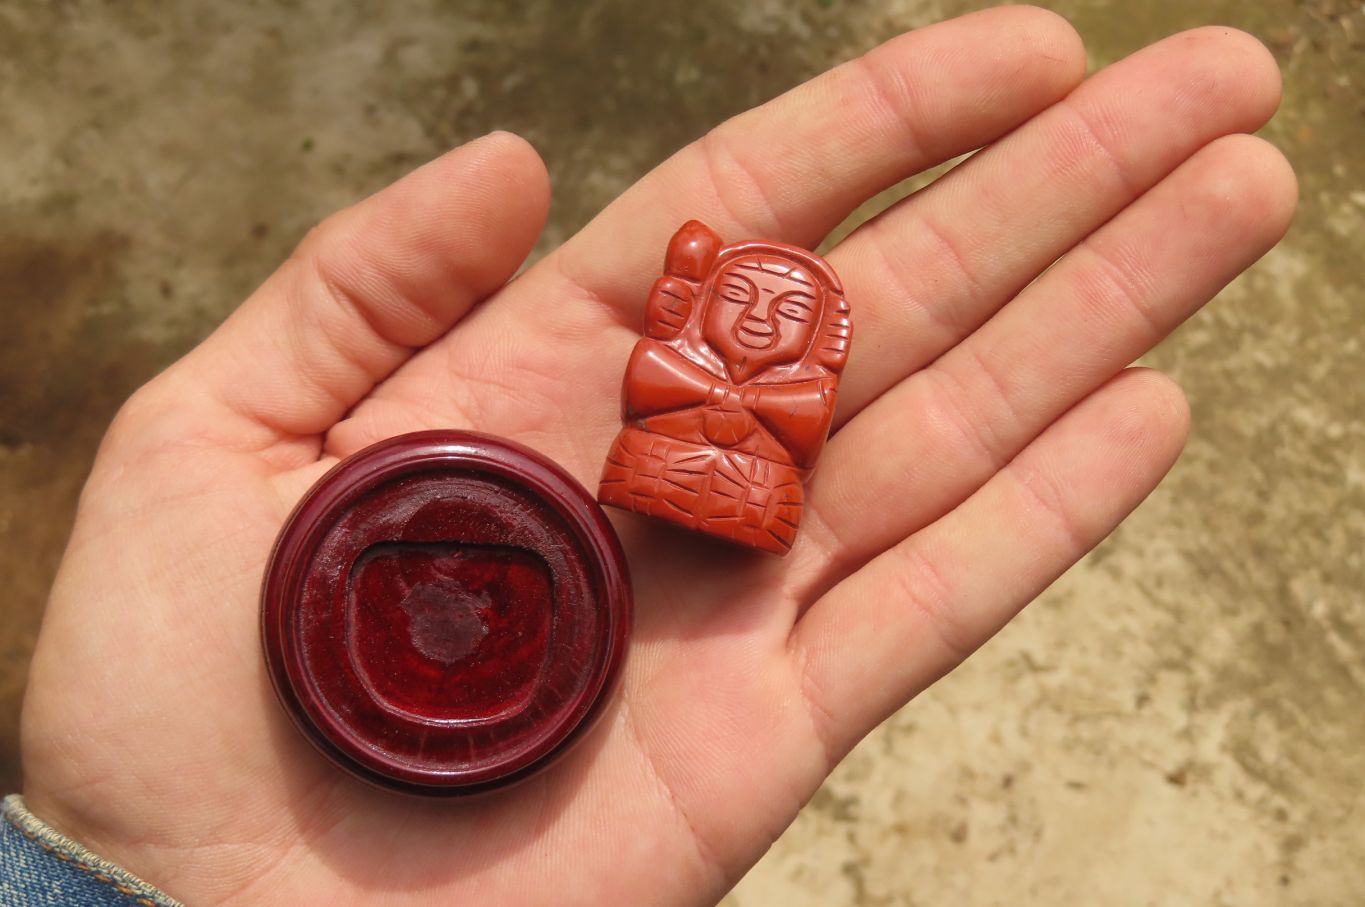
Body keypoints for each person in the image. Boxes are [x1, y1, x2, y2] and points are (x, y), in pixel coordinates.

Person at [5, 7, 1295, 905]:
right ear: (709, 303)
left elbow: (786, 413)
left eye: (793, 314)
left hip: (717, 492)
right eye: (749, 303)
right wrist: (139, 866)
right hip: (652, 482)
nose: (768, 324)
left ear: (822, 330)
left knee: (727, 478)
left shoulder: (795, 376)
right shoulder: (677, 356)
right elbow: (670, 382)